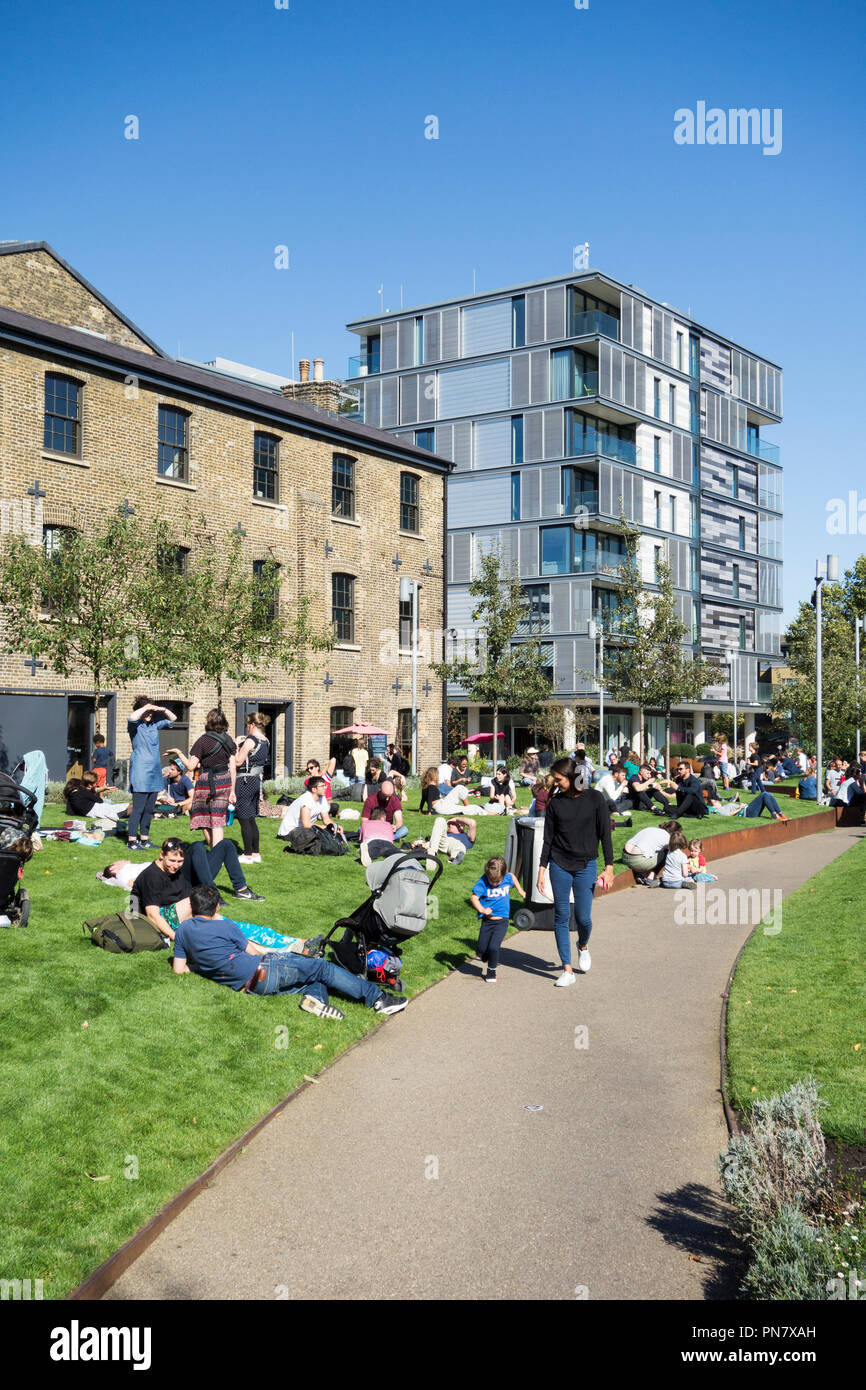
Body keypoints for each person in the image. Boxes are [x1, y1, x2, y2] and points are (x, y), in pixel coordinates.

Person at [172, 884, 409, 1019]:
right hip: (263, 968)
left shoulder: (183, 930)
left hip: (251, 989)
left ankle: (315, 1000)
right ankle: (378, 998)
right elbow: (253, 953)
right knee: (321, 966)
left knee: (310, 977)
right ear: (216, 907)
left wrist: (203, 965)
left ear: (192, 906)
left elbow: (179, 969)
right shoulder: (225, 925)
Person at [536, 757, 614, 986]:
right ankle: (567, 970)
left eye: (559, 779)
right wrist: (542, 870)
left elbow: (605, 836)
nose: (555, 783)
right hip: (559, 863)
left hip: (586, 864)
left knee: (583, 918)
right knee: (561, 917)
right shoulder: (556, 803)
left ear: (572, 777)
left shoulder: (595, 799)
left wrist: (609, 867)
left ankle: (583, 945)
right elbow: (548, 840)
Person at [173, 709, 237, 849]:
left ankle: (215, 852)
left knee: (202, 817)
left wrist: (179, 753)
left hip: (206, 782)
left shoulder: (203, 741)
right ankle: (218, 855)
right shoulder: (229, 740)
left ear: (209, 722)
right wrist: (232, 790)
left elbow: (191, 766)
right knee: (218, 820)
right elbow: (232, 767)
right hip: (224, 781)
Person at [127, 698, 178, 850]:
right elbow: (132, 717)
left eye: (150, 711)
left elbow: (173, 718)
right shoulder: (135, 726)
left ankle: (144, 839)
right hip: (140, 771)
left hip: (154, 771)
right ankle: (131, 841)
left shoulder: (155, 725)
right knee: (138, 808)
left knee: (149, 809)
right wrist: (145, 708)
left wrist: (160, 709)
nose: (149, 713)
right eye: (146, 711)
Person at [470, 855, 527, 983]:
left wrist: (521, 891)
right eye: (492, 881)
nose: (494, 884)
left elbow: (513, 877)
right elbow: (474, 898)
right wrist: (482, 910)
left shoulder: (507, 877)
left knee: (494, 947)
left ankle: (491, 971)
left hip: (502, 920)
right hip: (487, 921)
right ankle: (485, 954)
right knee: (481, 949)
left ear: (503, 875)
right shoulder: (483, 882)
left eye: (497, 882)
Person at [233, 712, 271, 863]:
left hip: (244, 781)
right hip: (256, 780)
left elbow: (237, 761)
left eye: (247, 725)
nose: (247, 728)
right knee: (251, 818)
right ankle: (256, 853)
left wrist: (236, 745)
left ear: (253, 725)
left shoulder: (251, 740)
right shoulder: (266, 741)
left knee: (243, 817)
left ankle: (247, 854)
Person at [621, 820, 681, 886]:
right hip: (638, 861)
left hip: (624, 856)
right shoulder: (667, 838)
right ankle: (652, 875)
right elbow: (674, 852)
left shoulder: (651, 828)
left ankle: (642, 874)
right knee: (668, 852)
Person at [64, 772, 130, 823]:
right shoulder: (82, 791)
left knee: (119, 807)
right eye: (95, 783)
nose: (97, 785)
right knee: (120, 807)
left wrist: (103, 789)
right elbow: (99, 800)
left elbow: (70, 812)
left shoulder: (71, 797)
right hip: (98, 808)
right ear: (89, 785)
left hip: (94, 810)